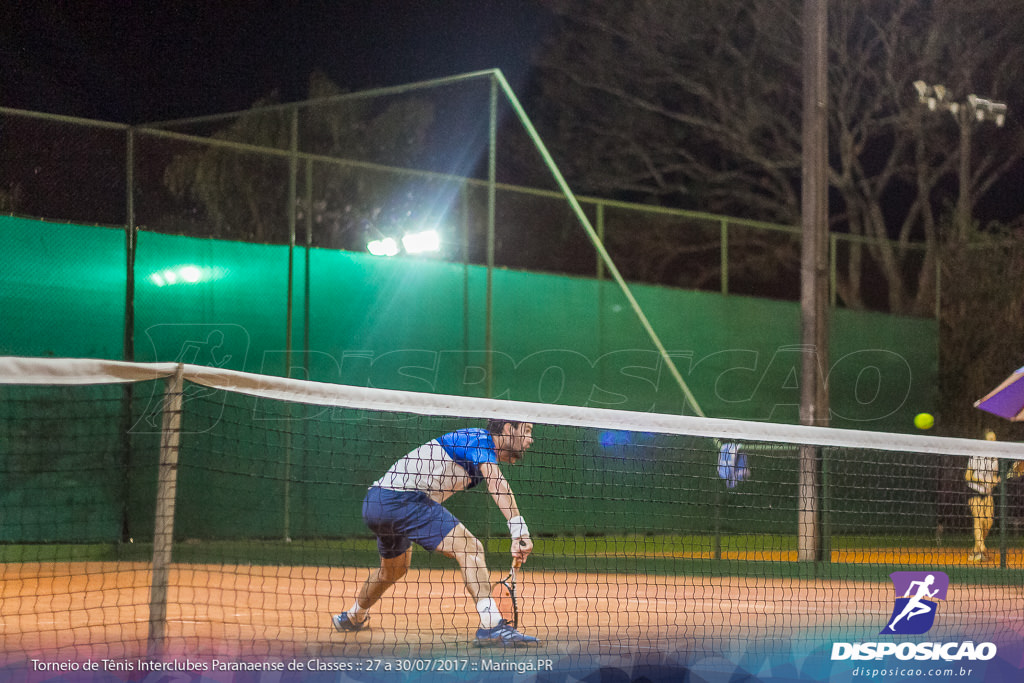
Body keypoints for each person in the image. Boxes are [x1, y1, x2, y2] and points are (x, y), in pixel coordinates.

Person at [332, 419, 539, 646]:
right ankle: (491, 626)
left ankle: (353, 617)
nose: (530, 440)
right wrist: (519, 531)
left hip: (376, 503)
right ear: (509, 429)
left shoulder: (477, 448)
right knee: (470, 547)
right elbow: (497, 483)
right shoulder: (480, 440)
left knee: (393, 571)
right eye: (527, 431)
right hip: (402, 500)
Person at [965, 429, 1001, 563]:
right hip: (974, 491)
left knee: (988, 522)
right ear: (984, 441)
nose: (994, 441)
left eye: (995, 439)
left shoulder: (996, 457)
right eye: (991, 439)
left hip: (988, 493)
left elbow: (995, 477)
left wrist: (996, 480)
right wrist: (983, 481)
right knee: (979, 518)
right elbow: (968, 476)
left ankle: (976, 550)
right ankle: (981, 546)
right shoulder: (976, 455)